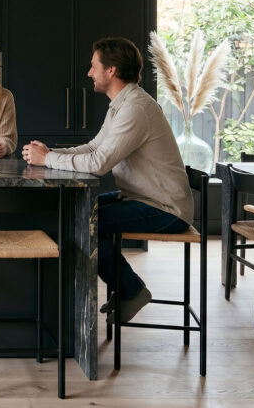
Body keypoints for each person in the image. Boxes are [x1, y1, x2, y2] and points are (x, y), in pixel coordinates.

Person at [21, 37, 193, 323]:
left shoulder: (135, 109)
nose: (89, 72)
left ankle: (132, 290)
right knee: (77, 212)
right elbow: (93, 146)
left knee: (86, 221)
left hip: (164, 208)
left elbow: (98, 164)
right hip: (141, 198)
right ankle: (123, 291)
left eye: (93, 66)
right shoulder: (122, 104)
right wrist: (50, 152)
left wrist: (47, 160)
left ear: (111, 71)